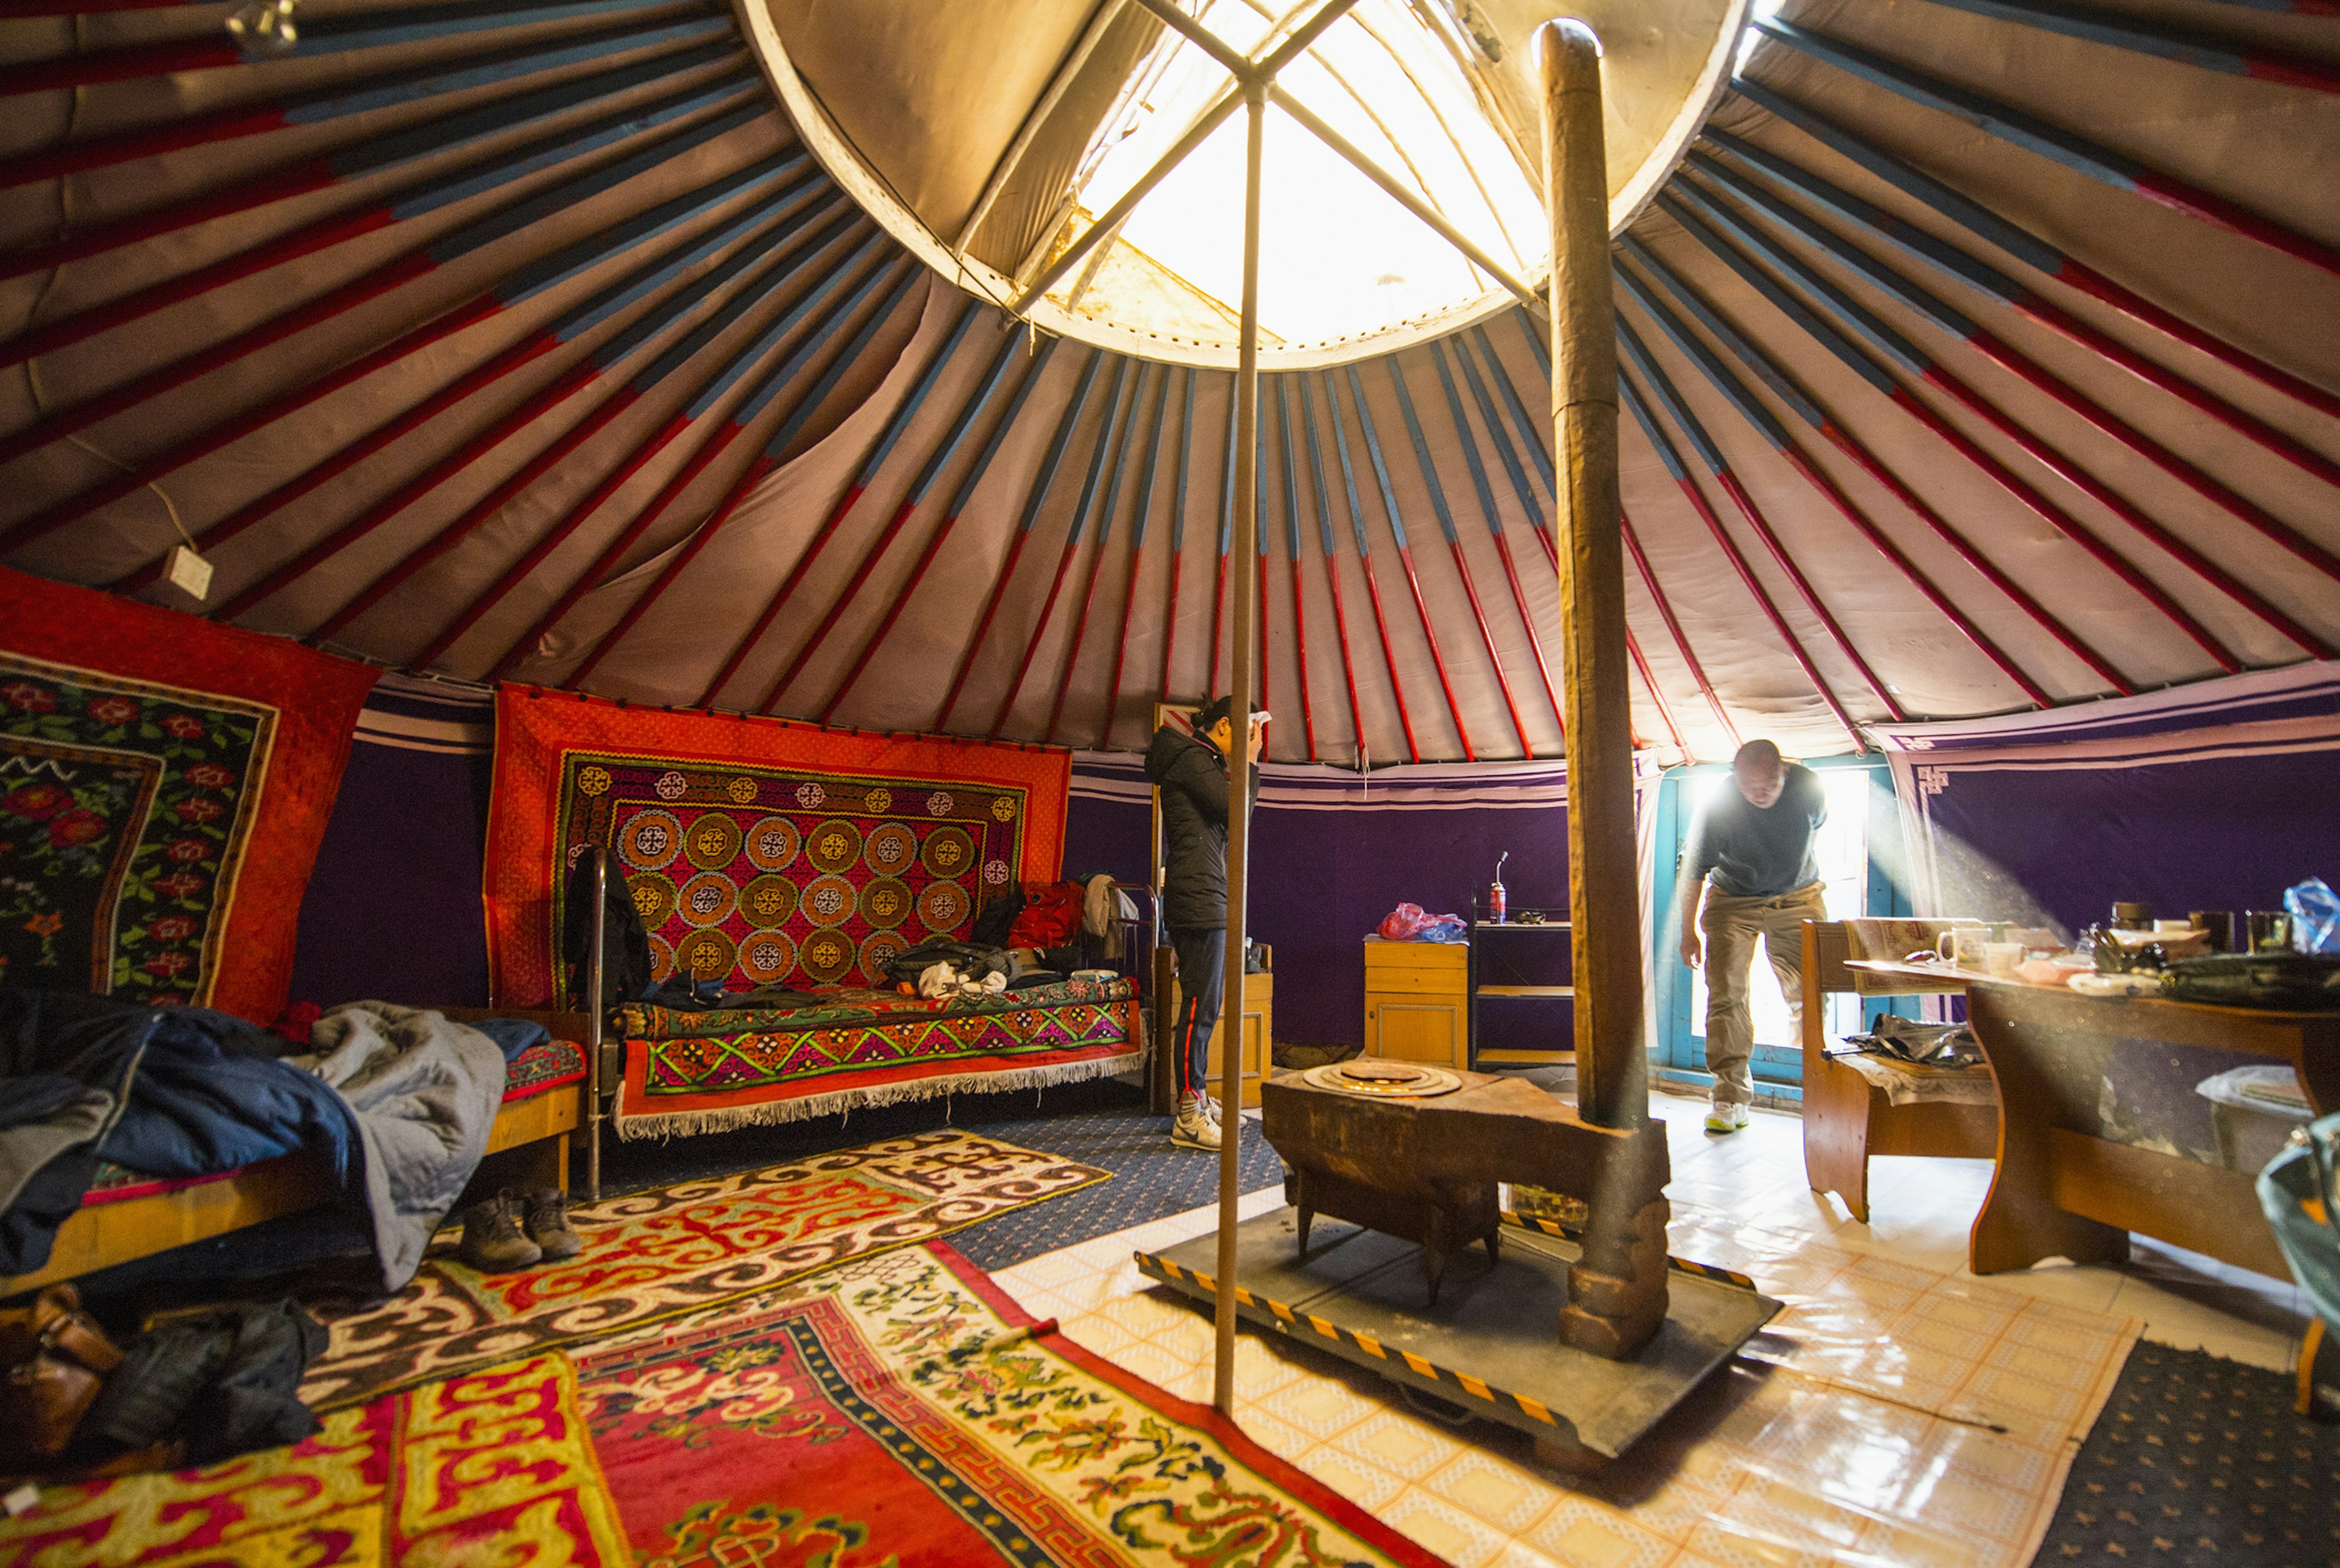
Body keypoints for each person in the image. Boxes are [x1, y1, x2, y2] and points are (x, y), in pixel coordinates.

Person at [1677, 739, 1827, 1135]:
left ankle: (1821, 1089)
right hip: (1732, 899)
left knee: (1809, 990)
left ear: (1785, 772)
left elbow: (1814, 830)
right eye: (1748, 787)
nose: (1758, 794)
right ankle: (1729, 1098)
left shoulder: (1809, 788)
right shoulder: (1718, 804)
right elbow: (1693, 871)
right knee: (1726, 993)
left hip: (1798, 897)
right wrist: (1686, 931)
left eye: (1768, 785)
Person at [1143, 696, 1264, 1151]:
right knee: (1199, 1006)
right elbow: (1240, 814)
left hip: (1206, 893)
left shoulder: (1204, 763)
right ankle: (1189, 1113)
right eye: (1248, 729)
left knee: (1205, 1005)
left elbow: (1231, 823)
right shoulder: (1194, 760)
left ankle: (1198, 1097)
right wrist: (1249, 763)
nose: (1253, 740)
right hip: (1198, 897)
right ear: (1226, 727)